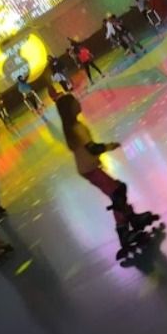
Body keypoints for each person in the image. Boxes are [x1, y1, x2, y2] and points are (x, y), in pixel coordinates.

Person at [55, 93, 159, 262]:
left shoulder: (73, 128)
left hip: (88, 168)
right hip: (90, 169)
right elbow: (93, 148)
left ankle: (132, 218)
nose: (78, 103)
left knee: (118, 190)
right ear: (70, 109)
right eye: (75, 102)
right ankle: (124, 231)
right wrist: (111, 145)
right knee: (117, 193)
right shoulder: (77, 128)